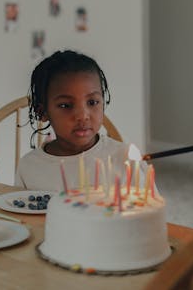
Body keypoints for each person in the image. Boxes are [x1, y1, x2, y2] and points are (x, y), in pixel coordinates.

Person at [16, 50, 136, 191]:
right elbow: (19, 211)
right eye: (65, 105)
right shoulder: (30, 167)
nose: (83, 115)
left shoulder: (125, 160)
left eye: (92, 102)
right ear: (42, 112)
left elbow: (149, 210)